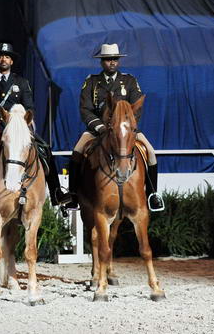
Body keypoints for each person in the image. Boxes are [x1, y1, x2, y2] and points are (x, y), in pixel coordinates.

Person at [0, 43, 72, 216]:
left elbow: (29, 107)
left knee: (44, 149)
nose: (3, 59)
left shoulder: (21, 83)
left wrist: (17, 119)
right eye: (0, 56)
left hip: (17, 130)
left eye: (7, 56)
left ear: (12, 61)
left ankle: (56, 193)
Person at [65, 43, 164, 211]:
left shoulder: (129, 81)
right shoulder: (92, 82)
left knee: (151, 152)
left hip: (124, 131)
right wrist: (101, 128)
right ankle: (73, 196)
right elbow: (85, 109)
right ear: (102, 62)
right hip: (98, 130)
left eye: (115, 59)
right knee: (77, 152)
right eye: (108, 59)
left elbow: (136, 108)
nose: (112, 62)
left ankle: (152, 195)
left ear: (119, 61)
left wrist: (126, 128)